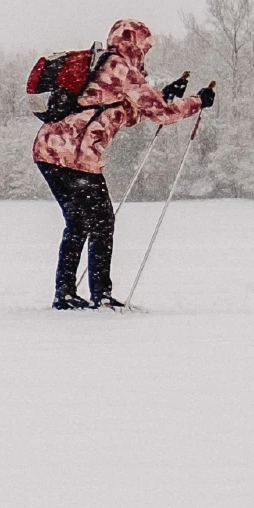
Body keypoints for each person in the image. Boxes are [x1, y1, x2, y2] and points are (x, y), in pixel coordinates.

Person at [33, 19, 210, 310]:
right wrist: (196, 102)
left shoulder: (105, 66)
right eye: (145, 46)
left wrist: (165, 93)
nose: (145, 52)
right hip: (74, 155)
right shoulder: (121, 67)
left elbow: (124, 114)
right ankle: (100, 295)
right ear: (136, 44)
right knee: (102, 221)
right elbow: (161, 113)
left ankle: (65, 293)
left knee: (79, 223)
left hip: (50, 150)